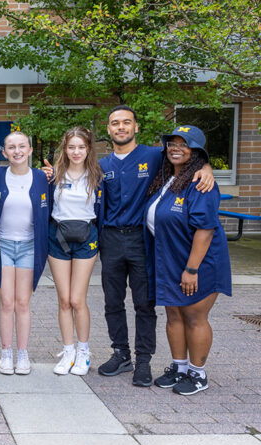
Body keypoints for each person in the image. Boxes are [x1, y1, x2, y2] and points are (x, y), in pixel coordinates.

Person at [97, 105, 213, 387]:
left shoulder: (154, 156)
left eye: (126, 122)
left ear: (136, 127)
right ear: (108, 129)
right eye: (115, 123)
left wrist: (207, 167)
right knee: (112, 301)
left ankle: (144, 360)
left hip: (141, 240)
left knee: (144, 303)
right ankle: (121, 353)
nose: (121, 127)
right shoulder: (100, 164)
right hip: (110, 239)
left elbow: (187, 158)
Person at [144, 125, 231, 395]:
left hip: (198, 263)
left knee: (194, 316)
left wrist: (191, 269)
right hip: (170, 260)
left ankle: (197, 373)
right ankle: (179, 367)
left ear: (196, 152)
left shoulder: (200, 183)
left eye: (184, 144)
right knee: (173, 314)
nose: (176, 148)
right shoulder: (166, 177)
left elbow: (205, 230)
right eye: (172, 143)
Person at [0, 131, 49, 376]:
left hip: (28, 245)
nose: (17, 151)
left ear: (30, 149)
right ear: (4, 152)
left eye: (21, 146)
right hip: (2, 245)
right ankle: (6, 352)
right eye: (11, 147)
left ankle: (22, 353)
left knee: (23, 303)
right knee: (6, 302)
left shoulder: (43, 177)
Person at [46, 127, 103, 376]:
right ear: (64, 149)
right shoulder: (53, 175)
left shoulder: (98, 176)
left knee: (77, 299)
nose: (76, 152)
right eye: (71, 147)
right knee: (64, 299)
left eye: (81, 147)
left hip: (86, 238)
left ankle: (83, 350)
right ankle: (68, 351)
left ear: (88, 149)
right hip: (57, 236)